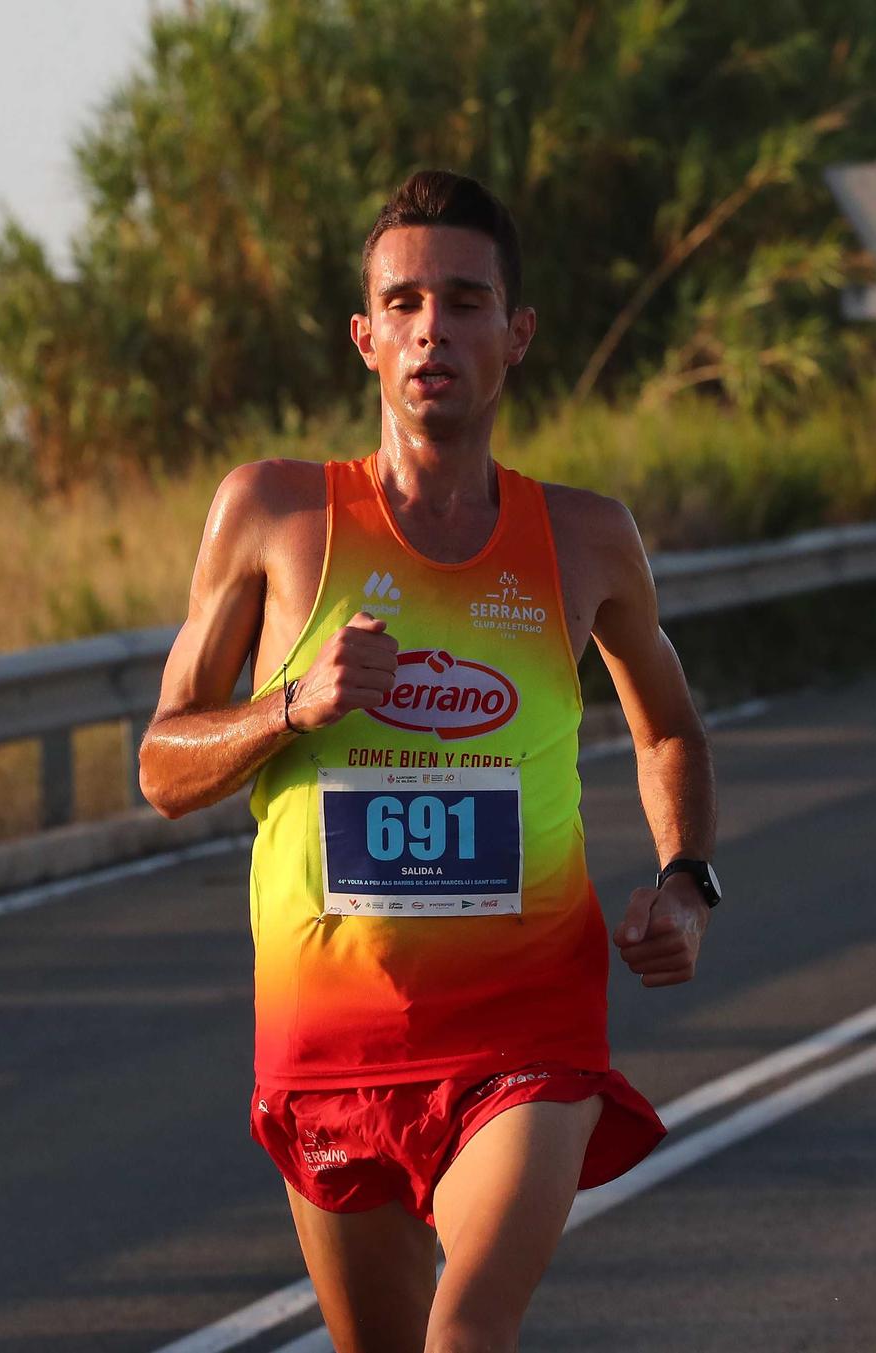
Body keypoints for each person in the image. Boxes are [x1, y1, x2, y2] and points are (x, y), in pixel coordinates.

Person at [139, 169, 720, 1353]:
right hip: (329, 1041)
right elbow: (160, 764)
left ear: (516, 335)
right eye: (402, 304)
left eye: (463, 302)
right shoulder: (273, 514)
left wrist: (686, 880)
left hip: (524, 1031)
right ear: (363, 338)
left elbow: (665, 728)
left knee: (465, 1336)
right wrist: (289, 706)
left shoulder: (583, 537)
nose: (430, 330)